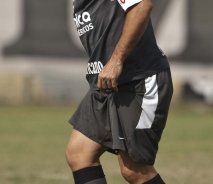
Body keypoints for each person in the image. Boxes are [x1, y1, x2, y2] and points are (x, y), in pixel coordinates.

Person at [65, 0, 173, 184]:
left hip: (139, 79)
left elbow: (142, 6)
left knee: (135, 170)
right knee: (79, 154)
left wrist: (116, 60)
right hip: (106, 84)